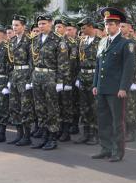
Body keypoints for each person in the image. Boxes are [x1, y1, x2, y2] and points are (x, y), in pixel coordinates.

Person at [92, 7, 134, 162]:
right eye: (106, 24)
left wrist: (123, 88)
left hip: (116, 90)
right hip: (102, 88)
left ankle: (117, 151)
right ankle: (105, 148)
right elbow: (98, 65)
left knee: (117, 122)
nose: (107, 27)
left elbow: (128, 68)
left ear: (118, 25)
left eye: (111, 24)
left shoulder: (125, 43)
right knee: (103, 120)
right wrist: (95, 84)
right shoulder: (102, 42)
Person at [30, 14, 70, 150]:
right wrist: (32, 77)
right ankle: (44, 136)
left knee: (52, 108)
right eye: (39, 24)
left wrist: (60, 81)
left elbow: (63, 63)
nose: (41, 26)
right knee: (40, 108)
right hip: (37, 76)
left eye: (44, 24)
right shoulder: (35, 40)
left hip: (50, 77)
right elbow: (32, 60)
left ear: (50, 24)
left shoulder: (58, 40)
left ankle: (53, 138)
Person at [7, 15, 34, 146]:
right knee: (14, 106)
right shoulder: (12, 41)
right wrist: (9, 78)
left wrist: (29, 80)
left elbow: (32, 62)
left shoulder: (29, 41)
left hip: (24, 75)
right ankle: (19, 133)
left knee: (25, 107)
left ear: (23, 26)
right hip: (15, 75)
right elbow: (9, 62)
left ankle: (27, 135)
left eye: (17, 25)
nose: (14, 28)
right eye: (13, 25)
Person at [74, 17, 101, 145]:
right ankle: (85, 133)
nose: (82, 30)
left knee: (94, 106)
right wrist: (78, 77)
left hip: (94, 76)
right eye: (81, 28)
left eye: (84, 27)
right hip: (83, 76)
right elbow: (79, 61)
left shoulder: (100, 42)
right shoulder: (82, 41)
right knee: (84, 106)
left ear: (91, 27)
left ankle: (95, 134)